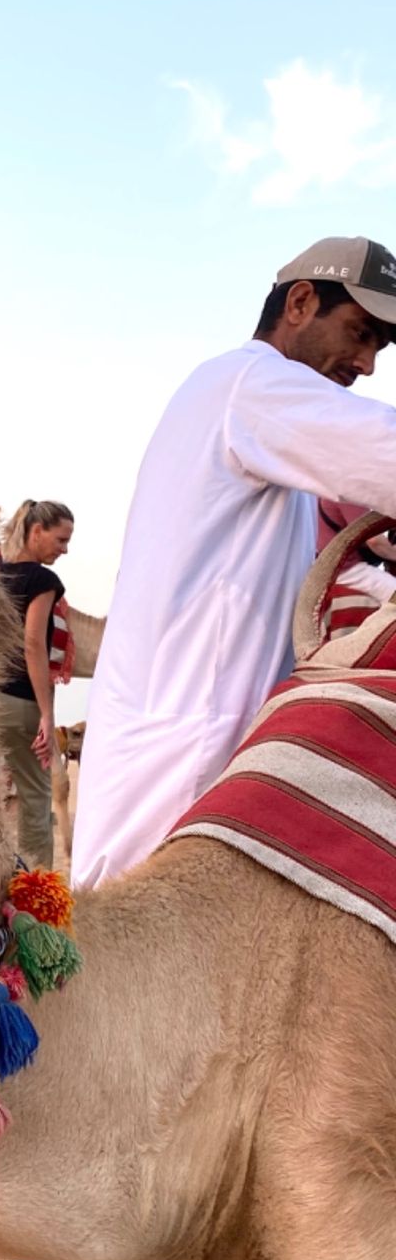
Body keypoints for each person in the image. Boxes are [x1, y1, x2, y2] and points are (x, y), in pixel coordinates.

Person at [72, 236, 396, 888]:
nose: (365, 363)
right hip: (187, 748)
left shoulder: (238, 399)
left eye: (379, 350)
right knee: (143, 951)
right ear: (301, 303)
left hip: (188, 730)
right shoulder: (255, 387)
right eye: (359, 333)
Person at [0, 500, 74, 869]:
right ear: (36, 532)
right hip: (21, 703)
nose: (65, 549)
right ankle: (38, 893)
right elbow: (33, 644)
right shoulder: (42, 581)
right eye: (60, 539)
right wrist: (46, 713)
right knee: (36, 799)